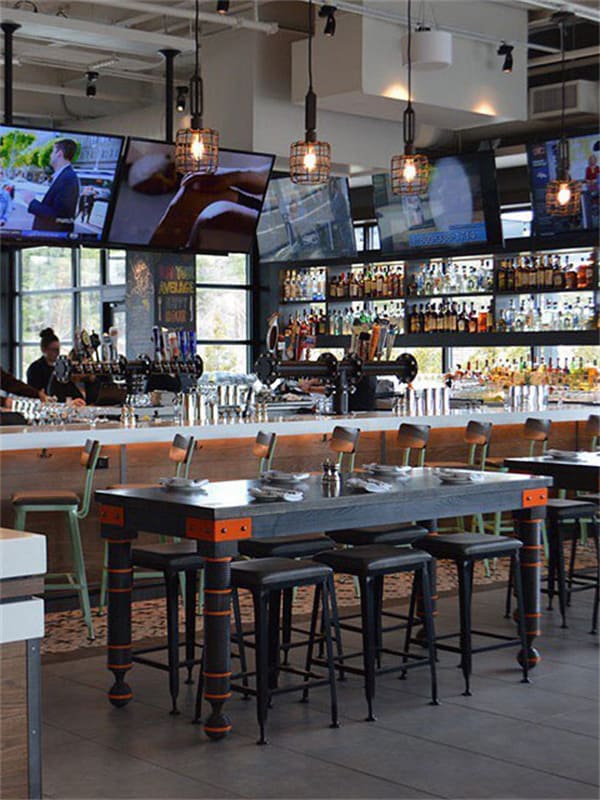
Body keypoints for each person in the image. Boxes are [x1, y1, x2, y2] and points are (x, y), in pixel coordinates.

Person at [22, 139, 80, 233]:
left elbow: (58, 216)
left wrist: (31, 202)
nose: (50, 155)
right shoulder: (63, 175)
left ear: (59, 154)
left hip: (53, 237)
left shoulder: (68, 178)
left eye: (52, 152)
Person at [26, 328, 85, 405]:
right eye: (53, 350)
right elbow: (37, 394)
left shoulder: (62, 368)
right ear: (43, 349)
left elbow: (71, 389)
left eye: (58, 349)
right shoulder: (35, 368)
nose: (57, 353)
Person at [299, 373, 378, 412]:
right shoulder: (367, 371)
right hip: (363, 412)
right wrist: (310, 384)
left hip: (356, 412)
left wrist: (309, 388)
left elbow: (332, 389)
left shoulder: (356, 372)